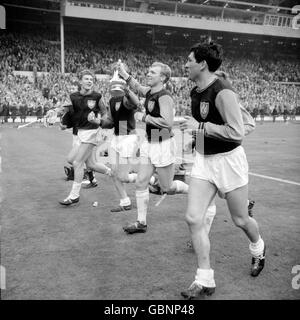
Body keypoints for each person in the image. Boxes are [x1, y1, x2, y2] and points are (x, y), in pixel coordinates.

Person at [180, 42, 265, 299]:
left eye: (189, 59)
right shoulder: (195, 91)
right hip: (205, 161)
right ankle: (204, 279)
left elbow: (236, 132)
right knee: (194, 218)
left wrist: (200, 128)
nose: (185, 64)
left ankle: (258, 248)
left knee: (240, 220)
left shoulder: (223, 91)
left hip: (229, 161)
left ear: (202, 64)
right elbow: (200, 128)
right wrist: (193, 146)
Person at [117, 61, 189, 234]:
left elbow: (167, 122)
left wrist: (143, 118)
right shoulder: (150, 91)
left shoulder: (164, 96)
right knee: (141, 182)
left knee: (167, 188)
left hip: (163, 143)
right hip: (150, 141)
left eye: (152, 72)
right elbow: (137, 87)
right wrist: (124, 74)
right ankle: (141, 223)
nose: (148, 74)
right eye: (148, 71)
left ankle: (194, 191)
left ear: (162, 77)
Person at [59, 70, 111, 206]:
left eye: (91, 79)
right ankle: (117, 175)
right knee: (90, 164)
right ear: (80, 81)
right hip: (81, 133)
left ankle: (74, 195)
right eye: (86, 79)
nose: (89, 81)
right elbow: (64, 110)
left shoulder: (97, 96)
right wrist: (55, 114)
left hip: (93, 133)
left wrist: (102, 124)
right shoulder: (73, 97)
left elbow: (105, 112)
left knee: (77, 163)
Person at [100, 72, 141, 212]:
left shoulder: (125, 99)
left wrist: (127, 91)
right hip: (116, 137)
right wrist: (98, 121)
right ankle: (125, 202)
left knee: (122, 176)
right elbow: (110, 122)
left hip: (128, 138)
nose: (114, 88)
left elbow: (136, 103)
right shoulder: (111, 101)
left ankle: (149, 179)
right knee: (113, 172)